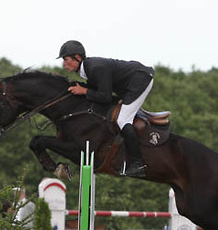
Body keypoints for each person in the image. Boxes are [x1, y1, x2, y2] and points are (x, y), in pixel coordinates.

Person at [58, 40, 154, 177]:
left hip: (140, 80)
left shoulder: (95, 67)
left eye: (66, 60)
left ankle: (138, 164)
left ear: (77, 58)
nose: (64, 64)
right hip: (130, 83)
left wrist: (83, 91)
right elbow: (96, 89)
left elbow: (105, 97)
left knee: (123, 120)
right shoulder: (88, 69)